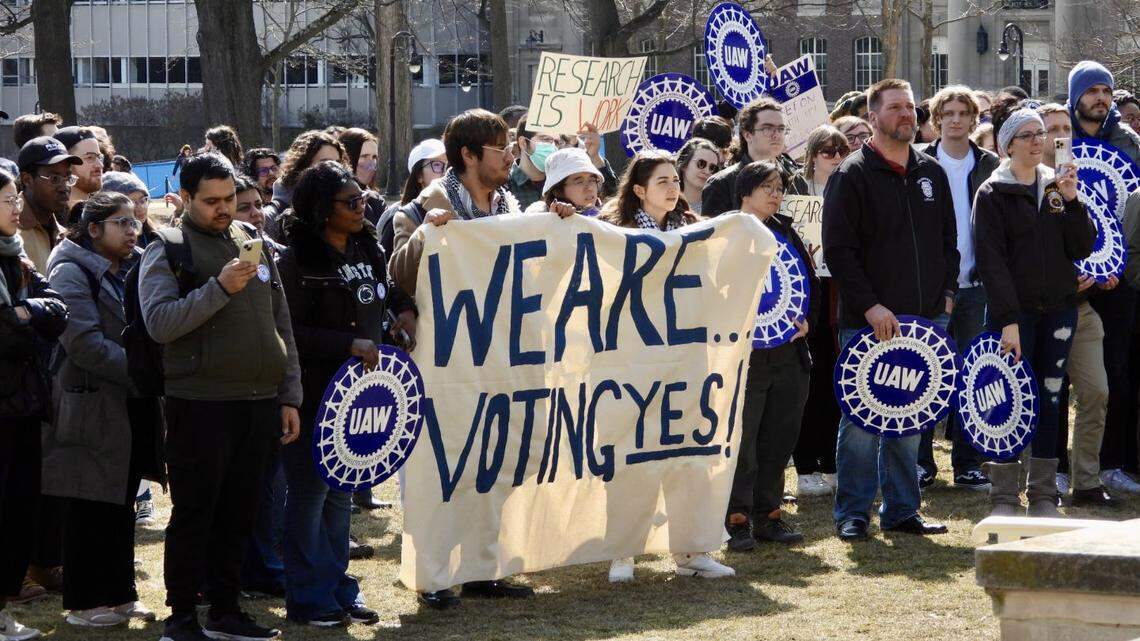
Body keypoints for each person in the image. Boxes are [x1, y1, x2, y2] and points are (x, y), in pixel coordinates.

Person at [138, 152, 302, 641]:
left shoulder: (253, 243)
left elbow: (281, 324)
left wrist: (289, 392)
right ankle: (183, 615)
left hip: (258, 402)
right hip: (199, 403)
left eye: (230, 198)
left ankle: (227, 611)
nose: (225, 208)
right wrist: (220, 287)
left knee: (241, 511)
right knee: (195, 513)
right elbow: (161, 323)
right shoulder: (167, 249)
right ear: (185, 198)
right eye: (211, 201)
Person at [388, 109, 534, 610]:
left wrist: (557, 225)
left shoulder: (512, 206)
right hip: (445, 364)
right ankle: (433, 574)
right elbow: (399, 278)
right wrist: (426, 233)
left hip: (501, 360)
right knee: (443, 465)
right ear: (469, 155)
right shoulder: (421, 208)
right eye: (501, 148)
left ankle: (482, 568)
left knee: (494, 463)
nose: (512, 155)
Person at [276, 161, 415, 627]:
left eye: (363, 198)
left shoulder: (367, 244)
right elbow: (288, 330)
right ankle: (309, 597)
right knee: (310, 498)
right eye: (350, 202)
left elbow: (385, 288)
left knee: (339, 496)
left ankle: (339, 589)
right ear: (321, 209)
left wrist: (402, 311)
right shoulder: (295, 260)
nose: (362, 206)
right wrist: (346, 344)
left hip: (358, 397)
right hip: (314, 394)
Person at [822, 78, 957, 541]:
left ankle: (901, 509)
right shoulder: (851, 175)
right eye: (895, 108)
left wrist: (947, 296)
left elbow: (948, 242)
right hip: (869, 322)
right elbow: (839, 252)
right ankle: (853, 512)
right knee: (861, 422)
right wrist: (871, 306)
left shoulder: (931, 172)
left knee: (911, 417)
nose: (906, 115)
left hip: (924, 320)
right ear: (873, 116)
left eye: (910, 107)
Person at [594, 151, 732, 578]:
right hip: (631, 361)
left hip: (685, 359)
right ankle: (624, 550)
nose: (674, 188)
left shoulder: (692, 229)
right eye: (663, 182)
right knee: (630, 454)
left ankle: (691, 551)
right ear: (639, 189)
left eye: (676, 179)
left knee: (687, 455)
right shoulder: (612, 232)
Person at [44, 191, 161, 628]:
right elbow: (85, 344)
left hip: (125, 405)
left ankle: (120, 595)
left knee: (120, 503)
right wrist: (144, 372)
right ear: (94, 229)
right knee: (89, 505)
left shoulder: (130, 265)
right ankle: (86, 602)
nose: (133, 231)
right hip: (89, 405)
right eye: (121, 223)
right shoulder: (70, 270)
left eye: (134, 222)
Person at [974, 108, 1095, 517]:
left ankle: (1043, 493)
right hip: (1015, 314)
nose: (1036, 141)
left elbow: (1081, 247)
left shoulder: (1057, 189)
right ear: (1008, 145)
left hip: (1058, 311)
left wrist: (1074, 200)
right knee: (1006, 398)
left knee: (1051, 397)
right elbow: (991, 262)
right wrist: (1008, 320)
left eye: (1039, 134)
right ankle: (1004, 494)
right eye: (1026, 135)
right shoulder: (993, 192)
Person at [725, 160, 818, 549]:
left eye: (780, 186)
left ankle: (770, 515)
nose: (777, 193)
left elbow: (806, 281)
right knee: (743, 443)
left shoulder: (787, 231)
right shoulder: (727, 233)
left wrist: (806, 321)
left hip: (787, 352)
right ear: (745, 193)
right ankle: (737, 520)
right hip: (745, 357)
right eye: (767, 186)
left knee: (778, 439)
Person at [915, 85, 1000, 491]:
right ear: (936, 119)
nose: (954, 119)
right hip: (931, 288)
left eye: (962, 112)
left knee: (970, 374)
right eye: (946, 112)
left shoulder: (991, 164)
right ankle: (921, 464)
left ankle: (968, 463)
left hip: (978, 285)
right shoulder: (918, 162)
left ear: (973, 119)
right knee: (926, 376)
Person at [1037, 102, 1119, 506]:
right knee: (1043, 397)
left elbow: (1098, 243)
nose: (1059, 134)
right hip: (1040, 311)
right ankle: (1043, 477)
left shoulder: (1084, 183)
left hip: (1083, 310)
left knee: (1096, 393)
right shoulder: (1019, 183)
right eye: (1050, 127)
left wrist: (1102, 273)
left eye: (1064, 127)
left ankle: (1086, 480)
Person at [0, 167, 68, 641]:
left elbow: (56, 308)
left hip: (24, 404)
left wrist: (25, 313)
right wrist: (23, 318)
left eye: (15, 199)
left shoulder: (16, 256)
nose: (16, 207)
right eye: (7, 200)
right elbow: (5, 331)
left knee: (19, 510)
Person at [1066, 61, 1140, 496]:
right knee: (1059, 375)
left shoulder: (1129, 143)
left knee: (1118, 371)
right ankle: (1056, 467)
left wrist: (1118, 268)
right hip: (1070, 277)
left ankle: (1114, 463)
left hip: (1121, 279)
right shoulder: (1056, 138)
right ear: (1076, 96)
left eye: (1106, 91)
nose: (1100, 98)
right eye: (1091, 90)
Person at [790, 125, 849, 498]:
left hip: (840, 294)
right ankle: (805, 465)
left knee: (834, 381)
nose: (836, 157)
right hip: (804, 293)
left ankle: (831, 463)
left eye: (842, 151)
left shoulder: (851, 187)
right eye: (828, 151)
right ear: (812, 155)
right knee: (806, 384)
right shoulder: (795, 190)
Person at [703, 98, 794, 217]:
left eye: (781, 129)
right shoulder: (722, 183)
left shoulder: (794, 180)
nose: (776, 134)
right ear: (747, 135)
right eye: (767, 128)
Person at [508, 118, 615, 209]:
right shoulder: (505, 185)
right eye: (545, 140)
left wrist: (595, 156)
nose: (552, 146)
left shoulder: (568, 177)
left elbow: (613, 201)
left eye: (556, 142)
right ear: (523, 143)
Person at [264, 131, 346, 243]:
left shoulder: (343, 210)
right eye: (325, 163)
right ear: (302, 167)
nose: (334, 170)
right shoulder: (272, 217)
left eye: (337, 163)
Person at [17, 137, 80, 281]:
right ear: (27, 179)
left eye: (68, 178)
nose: (64, 188)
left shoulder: (64, 235)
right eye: (55, 179)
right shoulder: (9, 233)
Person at [375, 138, 446, 257]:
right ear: (419, 175)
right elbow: (388, 268)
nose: (444, 172)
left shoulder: (458, 209)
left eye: (448, 165)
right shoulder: (401, 215)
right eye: (437, 165)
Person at [523, 147, 604, 215]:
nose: (589, 188)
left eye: (592, 180)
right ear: (557, 190)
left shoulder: (608, 217)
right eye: (579, 182)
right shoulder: (537, 216)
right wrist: (554, 222)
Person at [100, 171, 158, 249]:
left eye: (143, 200)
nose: (141, 207)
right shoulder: (113, 246)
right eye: (132, 202)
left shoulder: (154, 233)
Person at [53, 126, 104, 213]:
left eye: (99, 157)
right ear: (66, 164)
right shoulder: (49, 219)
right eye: (90, 157)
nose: (100, 165)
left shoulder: (103, 213)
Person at [676, 138, 722, 216]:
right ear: (684, 164)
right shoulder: (667, 201)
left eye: (712, 168)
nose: (707, 171)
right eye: (701, 163)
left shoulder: (719, 207)